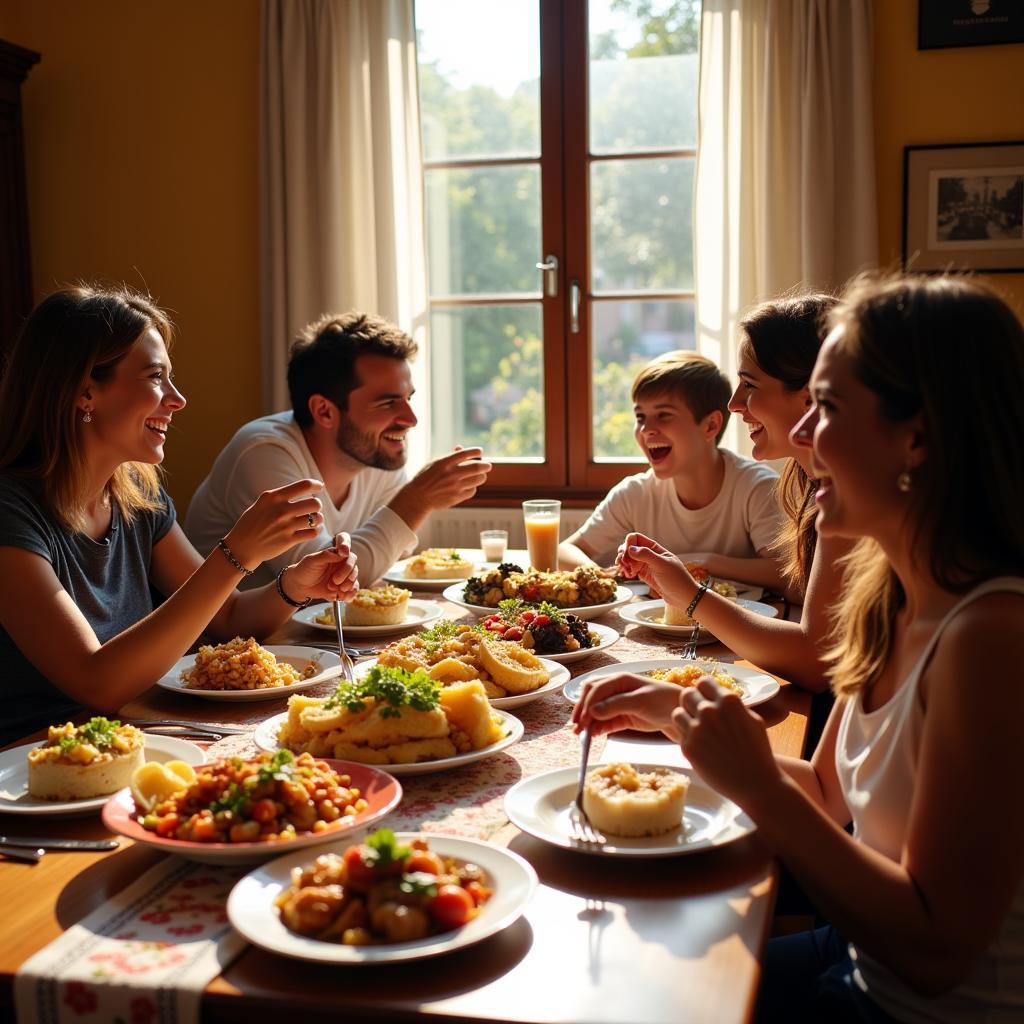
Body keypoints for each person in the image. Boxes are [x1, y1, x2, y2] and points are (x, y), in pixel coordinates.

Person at [575, 274, 1024, 1022]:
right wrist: (679, 717)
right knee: (622, 979)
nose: (803, 437)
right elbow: (821, 790)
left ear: (917, 436)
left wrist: (753, 784)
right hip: (858, 958)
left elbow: (938, 952)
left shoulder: (992, 637)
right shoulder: (890, 598)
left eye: (829, 408)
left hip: (915, 1005)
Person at [0, 285, 359, 746]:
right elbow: (96, 683)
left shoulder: (137, 499)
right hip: (32, 765)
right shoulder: (12, 513)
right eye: (155, 377)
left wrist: (293, 586)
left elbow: (226, 618)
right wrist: (236, 553)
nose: (177, 399)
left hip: (131, 735)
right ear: (85, 392)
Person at [615, 296, 846, 690]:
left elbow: (816, 661)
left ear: (811, 396)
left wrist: (691, 595)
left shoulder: (847, 500)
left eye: (750, 385)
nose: (735, 403)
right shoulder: (812, 485)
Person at [185, 312, 492, 588]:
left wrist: (415, 500)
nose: (411, 419)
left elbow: (383, 558)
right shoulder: (263, 452)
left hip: (304, 638)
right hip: (226, 644)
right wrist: (418, 499)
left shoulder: (378, 455)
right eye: (387, 403)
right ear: (324, 411)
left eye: (408, 398)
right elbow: (323, 582)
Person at [557, 350, 784, 592]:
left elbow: (783, 572)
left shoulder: (757, 487)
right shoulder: (635, 493)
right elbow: (565, 551)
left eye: (663, 415)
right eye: (640, 416)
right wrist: (601, 578)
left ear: (711, 425)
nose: (646, 429)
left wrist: (703, 562)